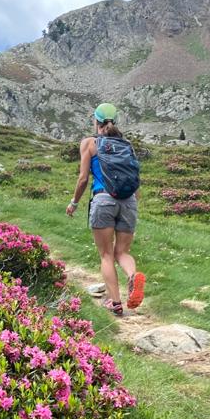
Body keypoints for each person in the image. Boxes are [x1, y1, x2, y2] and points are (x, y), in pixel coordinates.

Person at [66, 103, 145, 316]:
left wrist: (74, 202)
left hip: (103, 199)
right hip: (128, 202)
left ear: (96, 121)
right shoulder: (127, 145)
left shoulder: (89, 143)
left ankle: (116, 303)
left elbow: (83, 179)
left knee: (106, 254)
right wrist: (133, 203)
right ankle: (132, 276)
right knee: (123, 252)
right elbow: (136, 180)